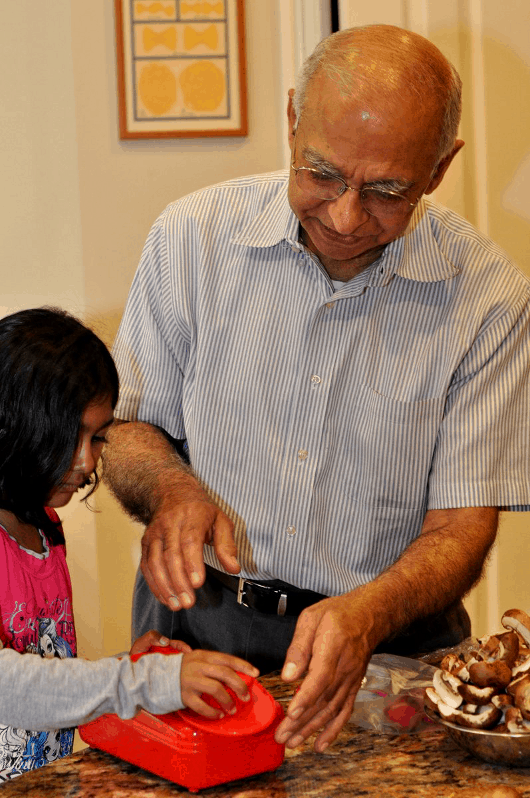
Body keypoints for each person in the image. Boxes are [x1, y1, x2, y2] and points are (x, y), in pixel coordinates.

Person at [104, 24, 530, 754]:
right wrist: (174, 490)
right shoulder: (191, 238)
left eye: (388, 190)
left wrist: (367, 613)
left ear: (439, 168)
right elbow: (127, 428)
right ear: (293, 119)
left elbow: (461, 527)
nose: (344, 216)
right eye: (322, 173)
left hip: (391, 651)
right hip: (200, 630)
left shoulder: (490, 299)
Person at [0, 307, 258, 782]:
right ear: (13, 423)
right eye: (66, 435)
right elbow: (7, 685)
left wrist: (133, 667)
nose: (84, 461)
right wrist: (144, 682)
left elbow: (46, 677)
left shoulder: (43, 529)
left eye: (97, 438)